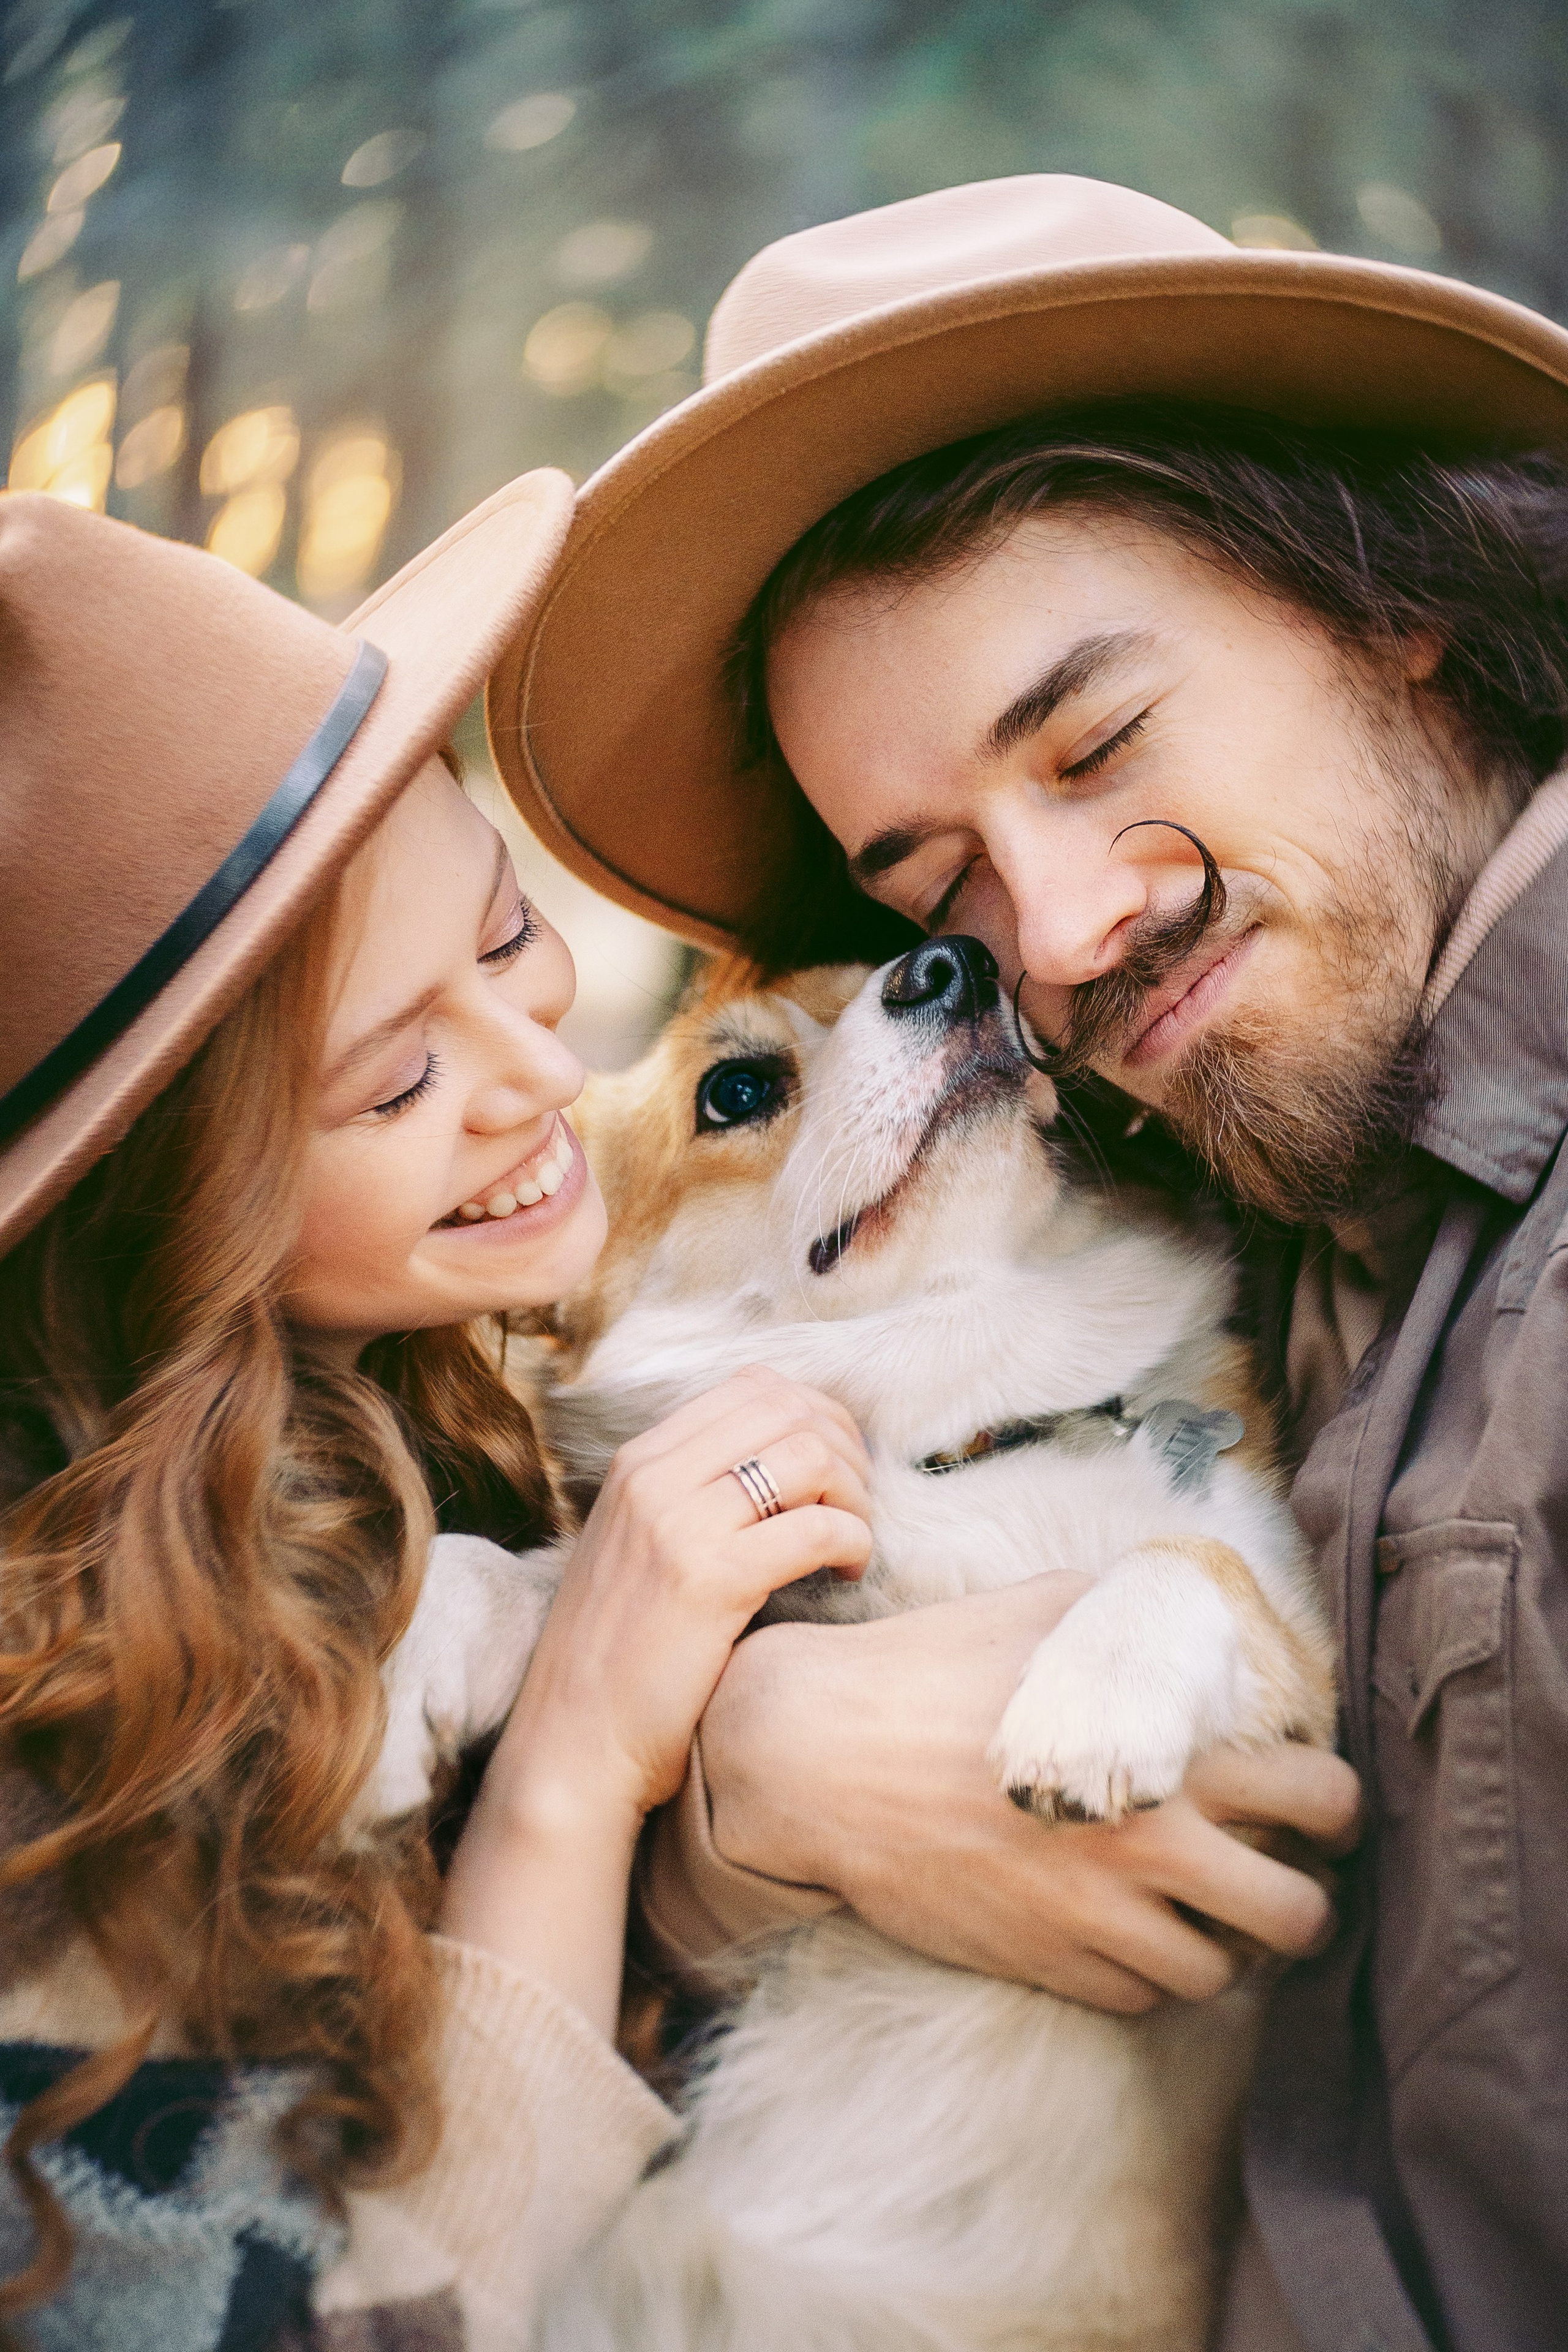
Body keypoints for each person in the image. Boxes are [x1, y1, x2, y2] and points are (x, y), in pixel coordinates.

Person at [497, 178, 1568, 2350]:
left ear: (1389, 599)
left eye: (1099, 749)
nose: (1058, 940)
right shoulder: (1255, 1183)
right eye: (940, 888)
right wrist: (767, 1768)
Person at [0, 481, 875, 2350]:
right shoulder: (47, 1765)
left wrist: (752, 1810)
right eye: (398, 1081)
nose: (544, 1070)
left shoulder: (429, 1394)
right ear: (167, 1204)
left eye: (503, 937)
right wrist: (570, 1768)